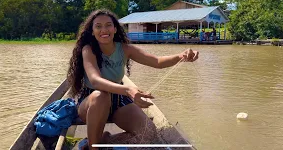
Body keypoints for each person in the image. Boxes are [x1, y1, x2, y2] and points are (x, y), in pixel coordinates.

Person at [67, 9, 199, 150]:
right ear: (92, 31)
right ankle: (94, 148)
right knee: (101, 95)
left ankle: (105, 139)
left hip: (119, 99)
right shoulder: (88, 49)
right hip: (92, 101)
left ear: (115, 29)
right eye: (98, 26)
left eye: (108, 25)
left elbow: (157, 61)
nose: (104, 30)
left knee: (149, 134)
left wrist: (181, 56)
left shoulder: (125, 49)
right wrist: (129, 89)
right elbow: (95, 80)